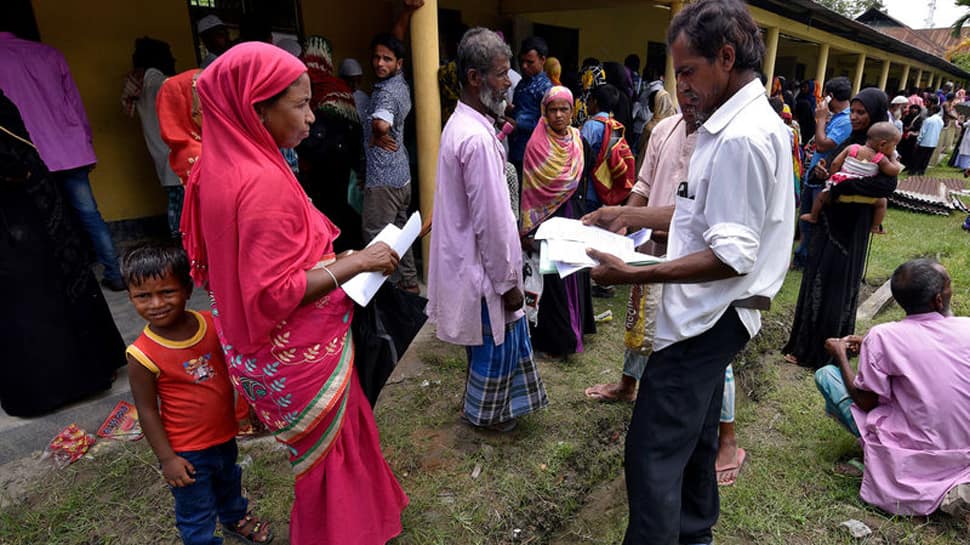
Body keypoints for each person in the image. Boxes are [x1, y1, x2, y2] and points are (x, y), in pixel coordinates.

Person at [179, 42, 407, 545]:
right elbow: (276, 292)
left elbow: (223, 268)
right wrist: (359, 261)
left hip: (252, 348)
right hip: (296, 349)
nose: (311, 118)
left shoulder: (213, 166)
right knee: (330, 456)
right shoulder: (261, 182)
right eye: (300, 105)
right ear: (255, 107)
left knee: (340, 443)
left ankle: (366, 521)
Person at [582, 1, 794, 542]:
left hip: (709, 317)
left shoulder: (742, 138)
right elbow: (705, 215)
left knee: (651, 453)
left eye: (687, 72)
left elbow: (730, 255)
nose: (680, 88)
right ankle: (694, 532)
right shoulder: (725, 126)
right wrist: (627, 213)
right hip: (709, 314)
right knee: (696, 441)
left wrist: (634, 274)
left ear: (726, 58)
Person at [426, 28, 549, 433]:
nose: (507, 82)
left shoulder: (464, 125)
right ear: (475, 78)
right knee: (496, 344)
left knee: (487, 343)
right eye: (500, 74)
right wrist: (507, 281)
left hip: (473, 264)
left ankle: (490, 410)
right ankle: (489, 416)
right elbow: (493, 224)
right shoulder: (476, 139)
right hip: (484, 269)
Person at [123, 242, 273, 545]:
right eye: (143, 296)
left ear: (188, 288)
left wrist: (252, 407)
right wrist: (167, 459)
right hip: (186, 451)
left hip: (224, 434)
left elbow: (237, 368)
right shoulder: (141, 354)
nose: (156, 304)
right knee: (196, 508)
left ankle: (235, 518)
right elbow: (148, 411)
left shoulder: (211, 324)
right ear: (130, 297)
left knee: (229, 479)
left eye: (167, 292)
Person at [0, 90, 126, 417]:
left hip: (24, 212)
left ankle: (57, 384)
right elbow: (15, 161)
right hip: (21, 213)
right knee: (38, 293)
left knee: (33, 295)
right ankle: (71, 379)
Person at [814, 259, 970, 519]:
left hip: (915, 456)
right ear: (938, 301)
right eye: (948, 285)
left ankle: (874, 456)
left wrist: (840, 354)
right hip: (964, 451)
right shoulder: (966, 327)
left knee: (827, 375)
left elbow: (865, 402)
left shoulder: (884, 336)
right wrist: (870, 347)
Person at [783, 88, 899, 369]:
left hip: (853, 227)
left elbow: (886, 186)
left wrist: (841, 184)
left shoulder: (883, 150)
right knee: (816, 278)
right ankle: (805, 345)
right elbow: (820, 171)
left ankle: (830, 349)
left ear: (876, 115)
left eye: (862, 113)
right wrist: (821, 172)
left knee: (839, 283)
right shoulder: (851, 142)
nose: (856, 117)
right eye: (855, 112)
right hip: (828, 221)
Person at [0, 28, 124, 290]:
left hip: (28, 156)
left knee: (41, 220)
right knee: (90, 214)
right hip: (70, 148)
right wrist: (85, 141)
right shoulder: (48, 53)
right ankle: (115, 273)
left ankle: (65, 281)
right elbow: (74, 102)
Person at [520, 86, 595, 358]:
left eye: (564, 109)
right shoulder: (536, 145)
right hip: (547, 220)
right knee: (553, 278)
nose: (559, 115)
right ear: (545, 112)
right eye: (553, 110)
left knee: (575, 271)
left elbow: (586, 175)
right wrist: (530, 228)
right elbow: (529, 190)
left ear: (572, 111)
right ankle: (556, 341)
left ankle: (577, 329)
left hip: (573, 215)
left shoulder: (578, 141)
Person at [362, 32, 419, 292]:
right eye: (376, 57)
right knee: (398, 233)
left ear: (399, 63)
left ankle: (383, 293)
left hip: (383, 177)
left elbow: (382, 122)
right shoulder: (401, 85)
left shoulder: (386, 93)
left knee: (377, 236)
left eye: (387, 59)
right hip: (401, 174)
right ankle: (409, 284)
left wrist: (377, 132)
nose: (379, 63)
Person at [298, 35, 364, 253]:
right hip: (342, 170)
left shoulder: (304, 88)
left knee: (324, 220)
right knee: (342, 216)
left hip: (316, 172)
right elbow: (356, 135)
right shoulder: (341, 89)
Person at [123, 37, 182, 237]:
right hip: (179, 157)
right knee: (185, 210)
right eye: (169, 56)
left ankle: (179, 247)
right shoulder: (163, 84)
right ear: (159, 59)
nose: (173, 59)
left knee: (175, 205)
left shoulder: (140, 85)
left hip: (161, 156)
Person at [792, 76, 853, 270]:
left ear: (830, 96)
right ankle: (801, 256)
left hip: (823, 180)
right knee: (805, 221)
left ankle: (810, 260)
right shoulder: (834, 117)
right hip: (814, 177)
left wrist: (819, 120)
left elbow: (822, 144)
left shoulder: (846, 121)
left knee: (816, 223)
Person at [800, 121, 900, 234]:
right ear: (882, 144)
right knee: (882, 203)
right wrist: (893, 158)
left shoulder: (852, 148)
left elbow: (835, 164)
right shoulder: (880, 158)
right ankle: (875, 226)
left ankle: (813, 216)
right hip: (865, 196)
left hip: (840, 191)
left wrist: (832, 179)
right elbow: (894, 171)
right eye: (894, 146)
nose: (894, 148)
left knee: (822, 195)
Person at [508, 36, 552, 178]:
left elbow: (548, 123)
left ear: (543, 60)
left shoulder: (546, 88)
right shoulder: (522, 83)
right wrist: (511, 111)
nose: (524, 66)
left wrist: (519, 124)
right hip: (516, 149)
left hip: (534, 153)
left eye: (530, 62)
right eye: (522, 62)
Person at [909, 98, 943, 175]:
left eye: (930, 110)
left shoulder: (928, 120)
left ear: (933, 111)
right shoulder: (941, 121)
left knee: (918, 157)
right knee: (926, 158)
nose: (929, 111)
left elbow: (922, 132)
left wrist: (918, 141)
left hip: (924, 142)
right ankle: (922, 171)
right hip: (933, 142)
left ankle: (913, 170)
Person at [339, 57, 370, 123]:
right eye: (352, 81)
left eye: (358, 81)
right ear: (342, 79)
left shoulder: (363, 98)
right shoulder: (335, 96)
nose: (355, 85)